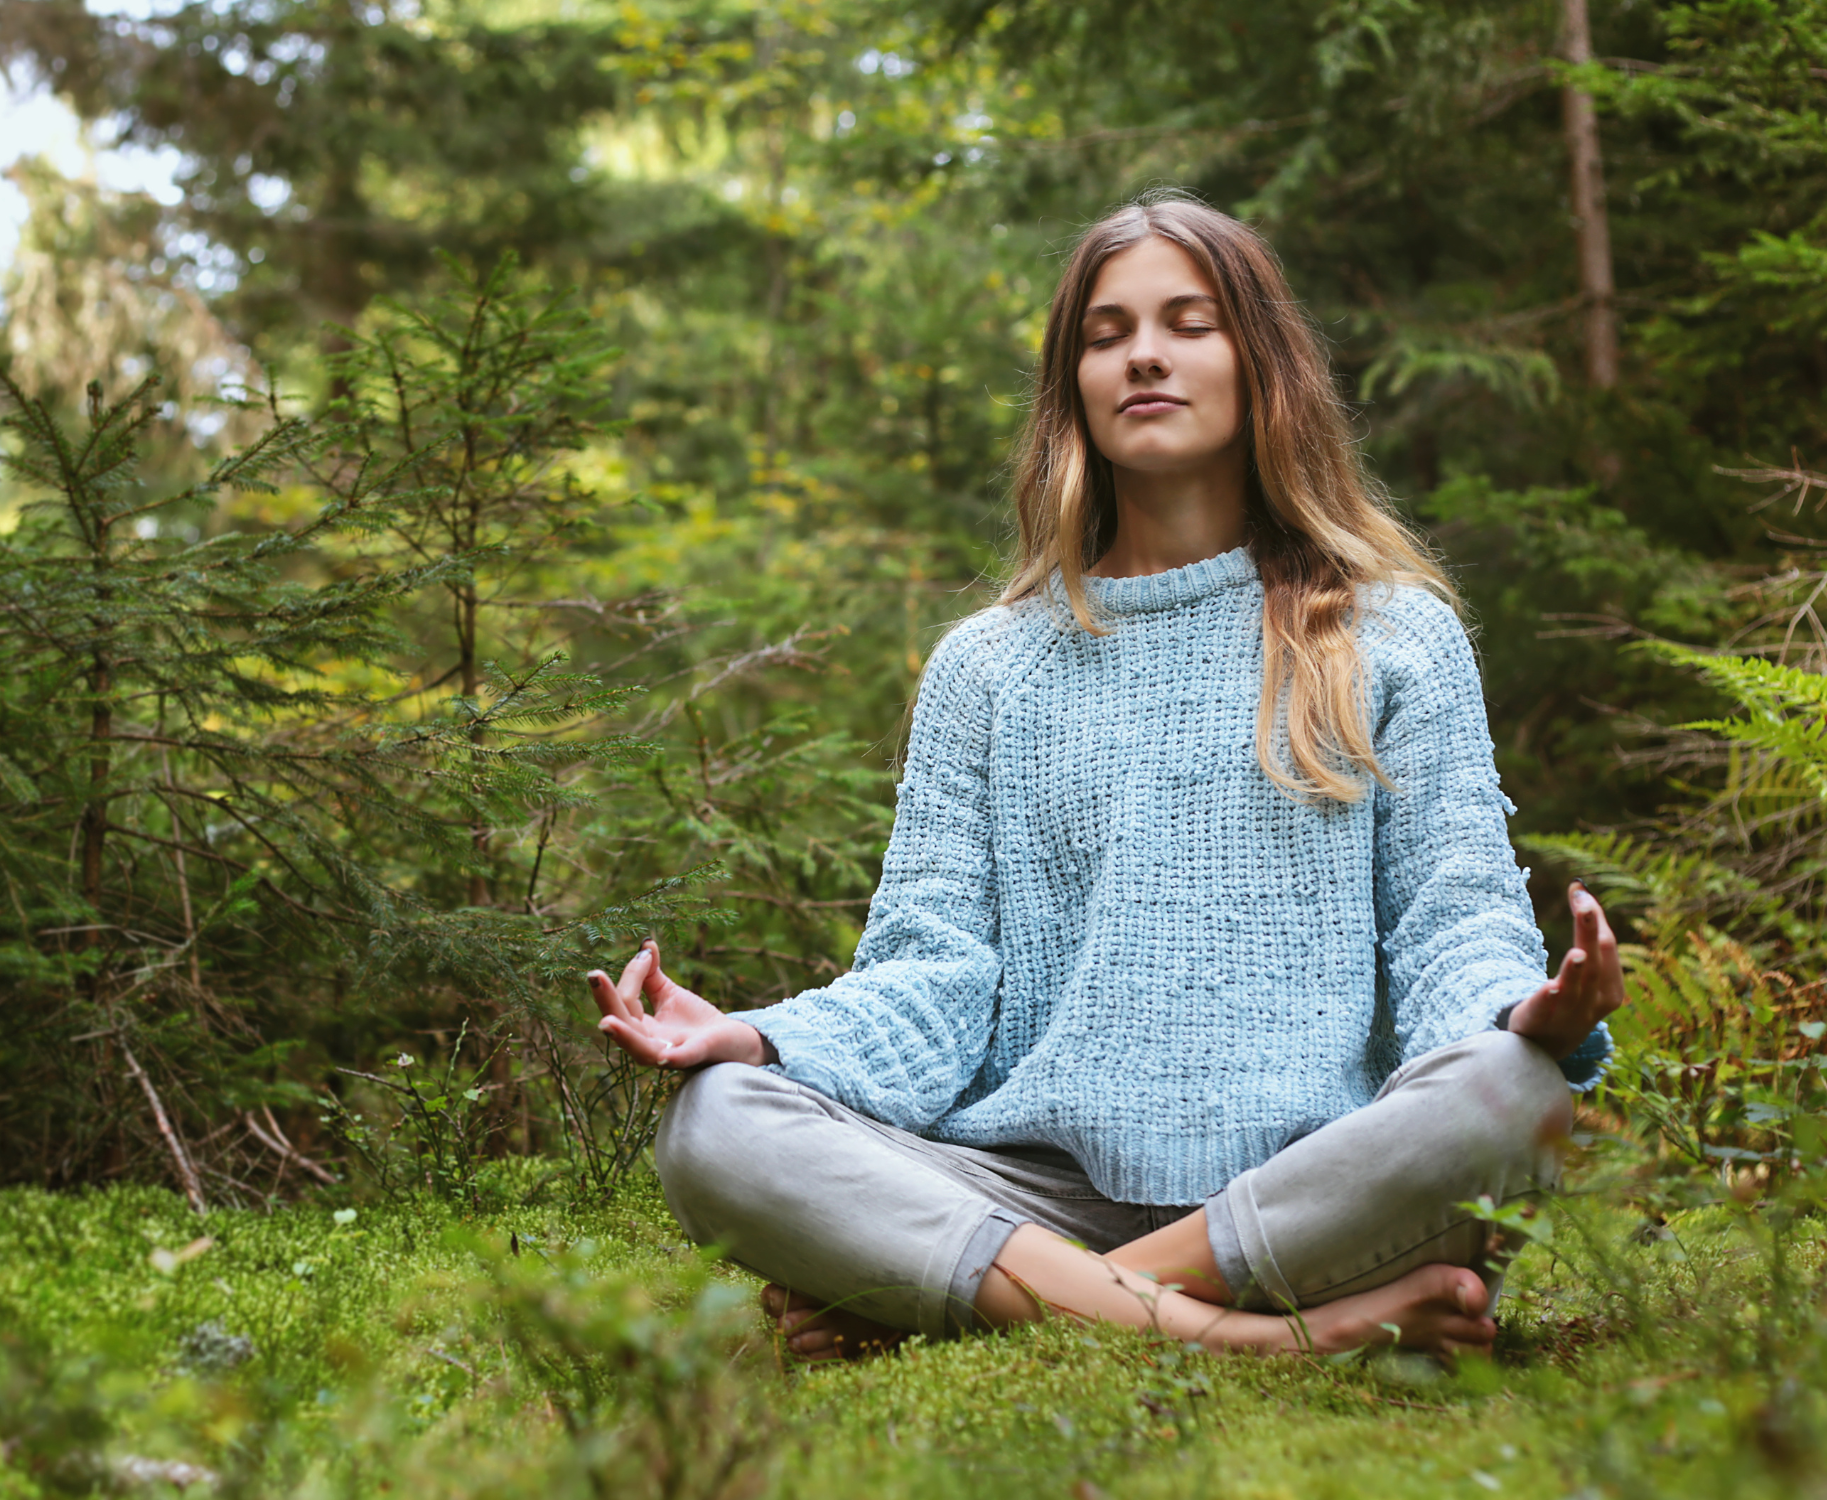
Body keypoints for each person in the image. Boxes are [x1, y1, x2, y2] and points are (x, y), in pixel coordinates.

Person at [588, 191, 1624, 1364]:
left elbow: (1453, 920)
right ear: (1070, 384)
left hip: (1303, 1184)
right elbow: (930, 978)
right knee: (715, 1126)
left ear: (1259, 363)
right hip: (1030, 1188)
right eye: (1104, 332)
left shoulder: (1390, 637)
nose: (1142, 353)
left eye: (1188, 322)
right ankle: (1274, 1342)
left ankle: (989, 1315)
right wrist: (761, 1041)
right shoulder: (987, 666)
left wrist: (1517, 1011)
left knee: (1508, 1090)